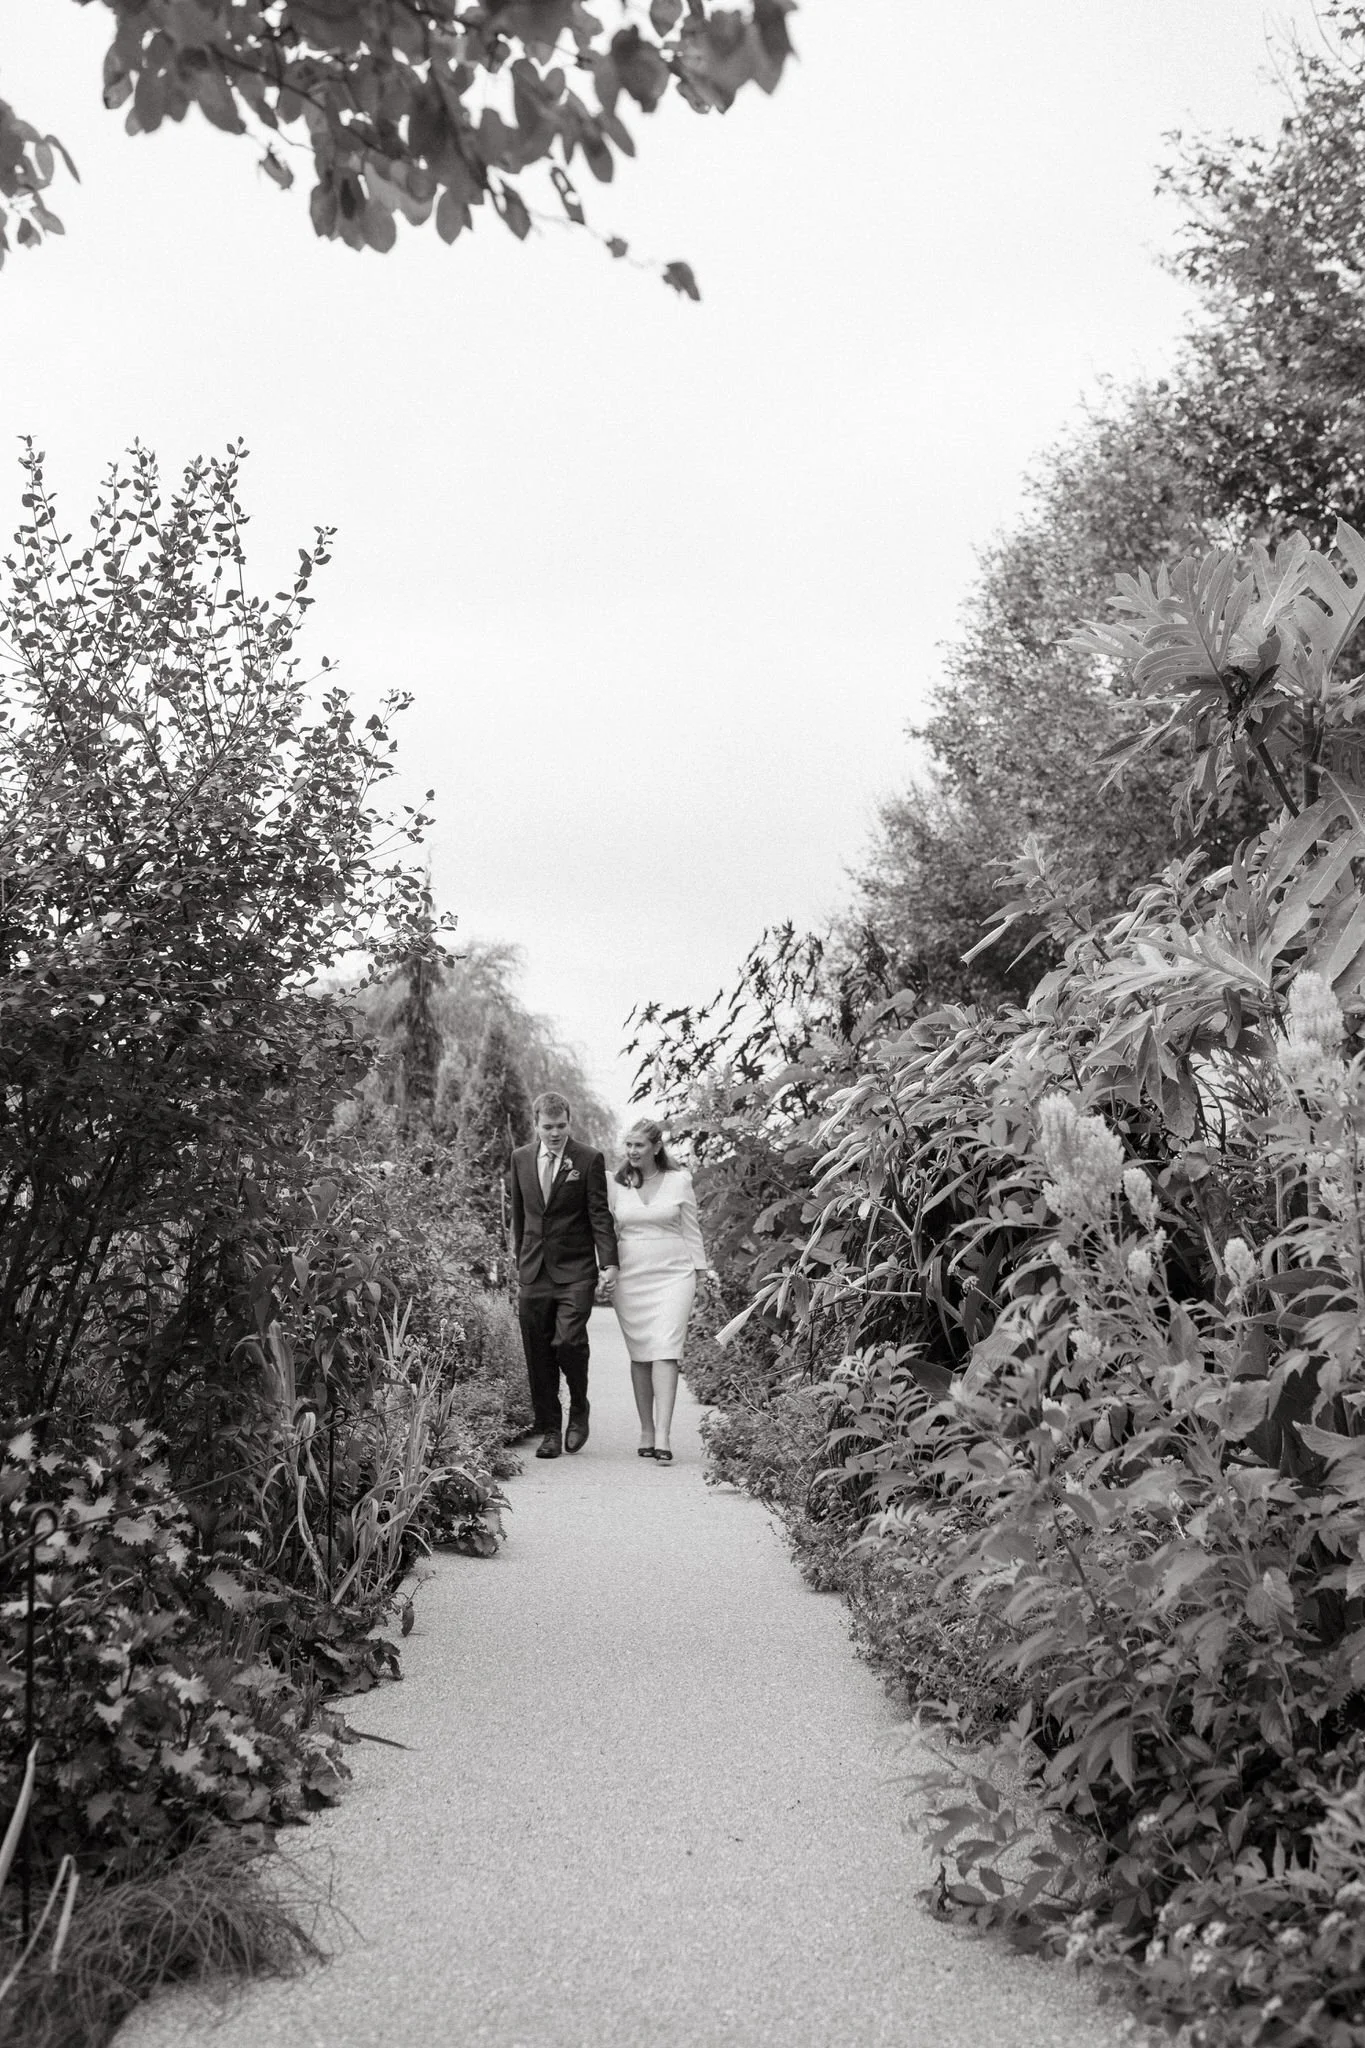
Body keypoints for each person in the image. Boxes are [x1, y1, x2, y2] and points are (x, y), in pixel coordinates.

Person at [509, 1091, 619, 1460]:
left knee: (568, 1341)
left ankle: (579, 1408)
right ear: (536, 1124)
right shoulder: (521, 1159)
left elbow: (599, 1216)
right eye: (547, 1127)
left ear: (569, 1122)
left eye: (561, 1126)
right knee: (537, 1353)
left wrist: (609, 1263)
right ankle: (551, 1431)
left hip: (575, 1270)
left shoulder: (587, 1159)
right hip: (534, 1269)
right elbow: (520, 1216)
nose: (554, 1133)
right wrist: (518, 1261)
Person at [608, 1118, 707, 1465]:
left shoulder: (679, 1181)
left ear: (656, 1147)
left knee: (666, 1349)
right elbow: (606, 1231)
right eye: (629, 1145)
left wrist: (702, 1272)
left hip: (674, 1274)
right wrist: (605, 1269)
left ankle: (664, 1434)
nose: (632, 1151)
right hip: (631, 1276)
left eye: (639, 1145)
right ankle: (646, 1429)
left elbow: (692, 1230)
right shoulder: (616, 1184)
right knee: (640, 1354)